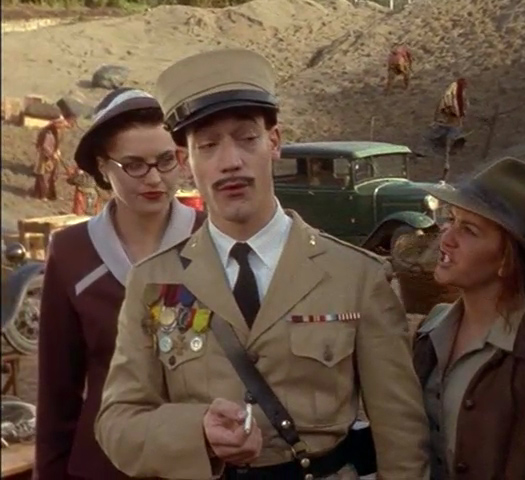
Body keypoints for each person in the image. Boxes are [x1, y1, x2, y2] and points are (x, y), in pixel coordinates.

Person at [94, 48, 430, 480]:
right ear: (184, 161)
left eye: (247, 138)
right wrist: (197, 432)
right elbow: (118, 423)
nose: (230, 161)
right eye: (208, 145)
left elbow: (402, 434)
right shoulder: (154, 281)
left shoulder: (357, 276)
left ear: (274, 142)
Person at [33, 88, 207, 480]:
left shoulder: (213, 241)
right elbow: (58, 389)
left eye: (166, 160)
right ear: (102, 167)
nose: (154, 178)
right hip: (101, 463)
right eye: (134, 165)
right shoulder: (72, 251)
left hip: (196, 460)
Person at [412, 158, 525, 480]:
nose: (447, 238)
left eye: (469, 230)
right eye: (451, 220)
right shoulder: (432, 331)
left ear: (507, 259)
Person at [430, 77, 469, 179]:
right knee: (448, 140)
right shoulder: (453, 93)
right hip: (450, 125)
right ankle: (446, 163)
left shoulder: (458, 93)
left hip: (452, 124)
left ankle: (447, 162)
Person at [32, 113, 76, 201]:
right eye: (61, 124)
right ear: (56, 124)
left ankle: (50, 195)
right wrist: (52, 154)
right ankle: (42, 195)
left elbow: (55, 143)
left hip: (53, 157)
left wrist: (57, 150)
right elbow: (44, 147)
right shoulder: (47, 133)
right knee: (44, 177)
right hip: (45, 158)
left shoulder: (56, 132)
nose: (63, 127)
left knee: (53, 176)